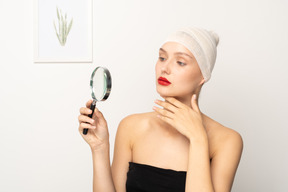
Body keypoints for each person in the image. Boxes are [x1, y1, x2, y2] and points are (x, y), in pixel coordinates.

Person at [78, 27, 243, 192]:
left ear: (203, 76)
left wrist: (197, 138)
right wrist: (99, 148)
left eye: (180, 62)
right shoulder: (131, 127)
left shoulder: (227, 141)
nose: (165, 68)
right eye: (162, 58)